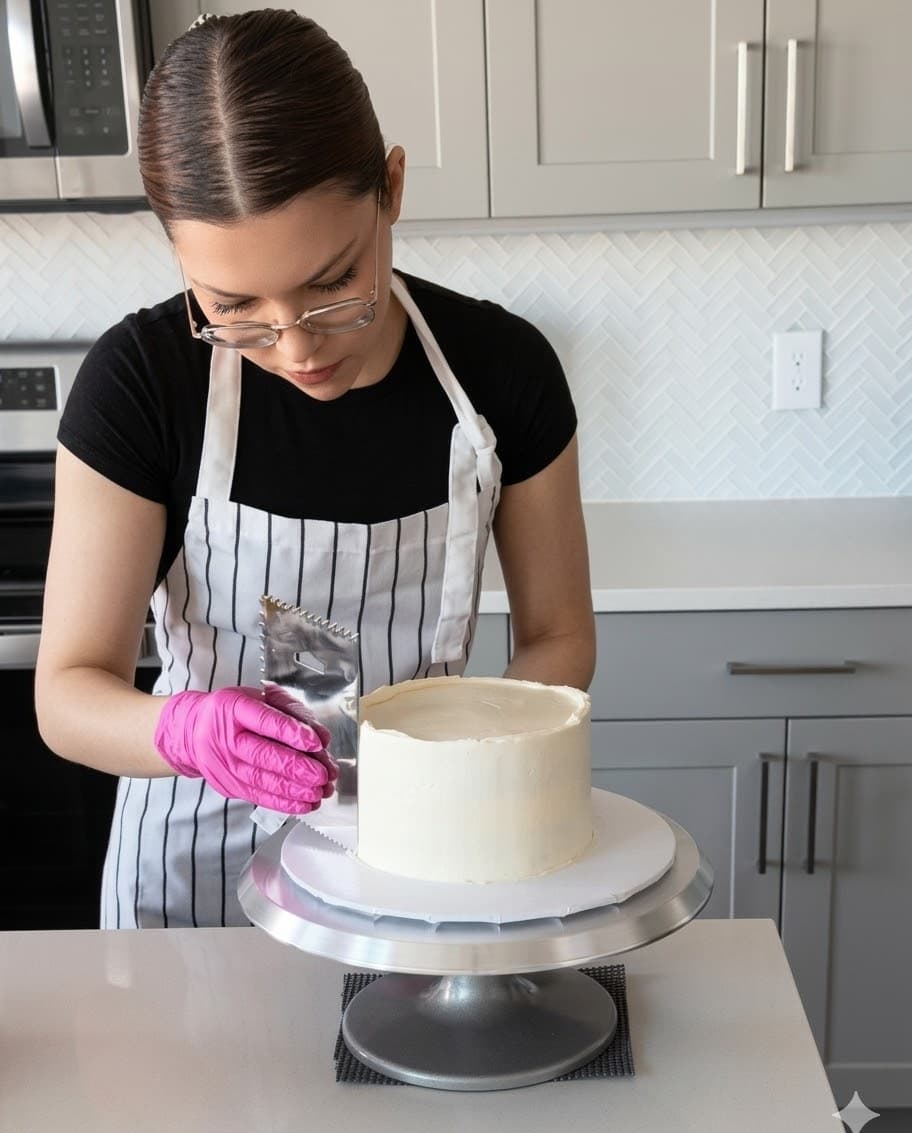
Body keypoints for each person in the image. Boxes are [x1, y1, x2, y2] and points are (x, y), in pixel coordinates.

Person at [34, 9, 595, 929]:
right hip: (187, 873)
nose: (294, 346)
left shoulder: (503, 371)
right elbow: (67, 694)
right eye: (234, 307)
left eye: (335, 282)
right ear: (178, 252)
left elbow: (562, 635)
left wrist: (469, 766)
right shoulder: (139, 383)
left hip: (419, 855)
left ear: (394, 190)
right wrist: (185, 729)